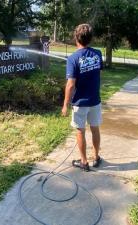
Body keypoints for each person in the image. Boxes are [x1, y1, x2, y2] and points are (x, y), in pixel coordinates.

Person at [62, 24, 103, 172]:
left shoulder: (73, 58)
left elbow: (70, 85)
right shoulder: (98, 54)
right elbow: (98, 73)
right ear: (91, 38)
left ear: (76, 38)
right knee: (95, 129)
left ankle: (84, 162)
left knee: (80, 131)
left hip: (80, 102)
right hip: (95, 100)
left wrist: (65, 104)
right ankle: (96, 158)